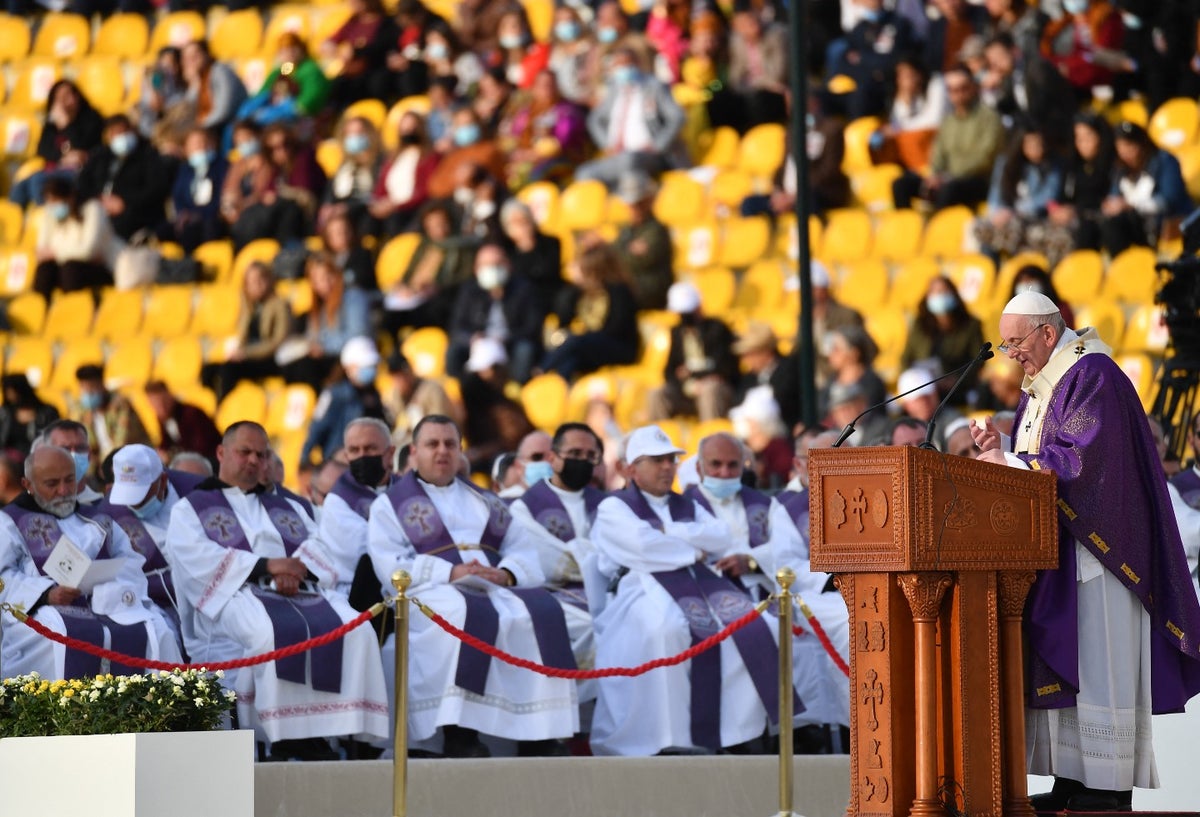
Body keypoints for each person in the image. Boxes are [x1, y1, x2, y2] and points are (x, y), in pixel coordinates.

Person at [970, 291, 1200, 811]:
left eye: (1016, 343)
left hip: (1100, 560)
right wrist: (997, 455)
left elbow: (1080, 460)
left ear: (1047, 333)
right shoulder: (1043, 384)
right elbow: (1034, 459)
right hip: (1060, 557)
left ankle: (1107, 787)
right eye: (1006, 346)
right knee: (1077, 669)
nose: (1013, 356)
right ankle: (1074, 782)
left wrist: (1012, 460)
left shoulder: (1092, 374)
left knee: (1099, 666)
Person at [164, 421, 389, 761]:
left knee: (356, 628)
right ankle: (287, 737)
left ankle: (341, 735)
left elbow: (321, 548)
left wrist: (294, 572)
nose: (254, 460)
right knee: (271, 632)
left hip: (300, 590)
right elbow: (196, 559)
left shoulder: (290, 506)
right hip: (233, 594)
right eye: (245, 452)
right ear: (222, 453)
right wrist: (268, 567)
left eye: (261, 454)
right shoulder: (190, 508)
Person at [367, 415, 578, 757]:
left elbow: (521, 548)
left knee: (540, 610)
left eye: (450, 444)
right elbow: (389, 563)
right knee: (458, 611)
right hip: (429, 590)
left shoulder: (486, 501)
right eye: (432, 444)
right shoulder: (389, 506)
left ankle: (539, 733)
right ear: (415, 452)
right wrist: (449, 572)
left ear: (461, 451)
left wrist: (507, 573)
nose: (442, 452)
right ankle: (459, 732)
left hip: (492, 585)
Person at [588, 424, 785, 756]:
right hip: (640, 588)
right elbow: (641, 545)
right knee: (668, 630)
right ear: (633, 468)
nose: (668, 467)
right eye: (658, 460)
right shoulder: (614, 507)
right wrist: (693, 548)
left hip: (697, 584)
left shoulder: (686, 505)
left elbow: (720, 536)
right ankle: (668, 737)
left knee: (753, 626)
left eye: (671, 460)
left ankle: (735, 732)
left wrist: (667, 531)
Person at [694, 430, 851, 754]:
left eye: (845, 458)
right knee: (853, 621)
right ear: (799, 464)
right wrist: (837, 576)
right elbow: (786, 561)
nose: (837, 466)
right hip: (818, 593)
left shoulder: (871, 493)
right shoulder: (787, 508)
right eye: (825, 459)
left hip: (863, 587)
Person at [0, 445, 182, 679]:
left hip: (107, 605)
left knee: (157, 627)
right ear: (28, 485)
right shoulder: (8, 522)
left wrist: (110, 588)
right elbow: (3, 577)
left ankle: (157, 714)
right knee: (59, 633)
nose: (64, 490)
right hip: (42, 610)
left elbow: (129, 562)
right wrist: (46, 594)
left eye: (70, 480)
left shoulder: (97, 518)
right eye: (52, 484)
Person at [509, 422, 607, 699]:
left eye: (590, 456)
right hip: (553, 593)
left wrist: (583, 553)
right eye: (575, 453)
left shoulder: (607, 504)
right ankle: (576, 719)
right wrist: (592, 557)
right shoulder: (527, 506)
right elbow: (544, 560)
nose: (582, 461)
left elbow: (618, 555)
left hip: (604, 592)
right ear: (553, 457)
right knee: (593, 626)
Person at [98, 443, 205, 641]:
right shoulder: (109, 510)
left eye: (140, 495)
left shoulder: (201, 492)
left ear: (162, 480)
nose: (133, 504)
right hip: (159, 606)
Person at [892, 64, 1004, 211]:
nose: (958, 94)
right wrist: (934, 175)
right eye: (952, 90)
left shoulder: (990, 118)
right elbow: (938, 153)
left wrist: (948, 177)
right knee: (901, 185)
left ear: (973, 87)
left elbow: (985, 158)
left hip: (977, 181)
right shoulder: (948, 121)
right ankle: (906, 230)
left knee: (949, 190)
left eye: (963, 88)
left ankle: (937, 230)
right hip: (947, 179)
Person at [576, 46, 686, 186]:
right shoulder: (614, 89)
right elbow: (594, 120)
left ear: (637, 64)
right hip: (618, 155)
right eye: (619, 65)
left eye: (627, 64)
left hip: (650, 154)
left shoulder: (654, 86)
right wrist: (607, 144)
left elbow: (677, 117)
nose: (623, 69)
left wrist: (658, 145)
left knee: (630, 162)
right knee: (584, 173)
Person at [318, 417, 397, 599]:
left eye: (370, 448)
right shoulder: (339, 501)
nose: (362, 456)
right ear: (346, 457)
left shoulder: (406, 490)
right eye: (354, 450)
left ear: (390, 453)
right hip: (360, 597)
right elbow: (372, 552)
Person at [539, 242, 640, 382]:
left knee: (574, 341)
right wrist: (574, 288)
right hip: (594, 345)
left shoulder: (619, 292)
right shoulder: (582, 293)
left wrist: (586, 337)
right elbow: (564, 319)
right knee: (571, 360)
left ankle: (540, 371)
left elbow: (615, 329)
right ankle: (557, 393)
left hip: (619, 347)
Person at [445, 244, 544, 384]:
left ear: (508, 265)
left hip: (510, 341)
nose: (491, 269)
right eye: (485, 265)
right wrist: (473, 338)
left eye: (497, 264)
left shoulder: (524, 289)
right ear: (476, 269)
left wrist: (505, 338)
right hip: (479, 342)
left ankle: (518, 387)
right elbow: (456, 327)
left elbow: (532, 326)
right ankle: (456, 389)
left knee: (525, 350)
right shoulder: (469, 291)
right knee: (454, 350)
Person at [648, 281, 738, 422]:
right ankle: (659, 439)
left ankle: (710, 438)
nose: (685, 317)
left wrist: (693, 375)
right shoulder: (677, 333)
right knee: (657, 393)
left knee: (710, 389)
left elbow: (725, 368)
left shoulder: (717, 329)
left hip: (716, 391)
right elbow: (669, 371)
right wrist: (687, 385)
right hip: (686, 390)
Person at [1100, 121, 1191, 257]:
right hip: (1136, 226)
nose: (1126, 152)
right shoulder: (1119, 169)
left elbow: (1169, 199)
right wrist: (1111, 205)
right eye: (1121, 147)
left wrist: (1131, 205)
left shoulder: (1164, 161)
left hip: (1165, 224)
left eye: (1130, 145)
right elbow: (1115, 197)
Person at [200, 261, 290, 401]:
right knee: (208, 369)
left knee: (229, 369)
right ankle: (210, 403)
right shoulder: (249, 307)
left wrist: (246, 353)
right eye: (253, 282)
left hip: (268, 358)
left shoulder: (279, 305)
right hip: (247, 356)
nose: (258, 284)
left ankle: (223, 406)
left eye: (261, 279)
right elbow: (242, 334)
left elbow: (277, 341)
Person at [76, 114, 171, 243]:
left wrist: (124, 202)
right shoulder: (99, 155)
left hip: (135, 213)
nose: (121, 136)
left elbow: (156, 189)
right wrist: (99, 200)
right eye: (116, 133)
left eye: (125, 131)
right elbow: (82, 183)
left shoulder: (148, 155)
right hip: (99, 208)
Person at [301, 337, 388, 466]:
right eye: (365, 366)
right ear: (349, 367)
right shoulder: (334, 394)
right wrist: (304, 460)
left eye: (372, 366)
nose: (371, 370)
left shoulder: (373, 395)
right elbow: (317, 429)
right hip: (339, 464)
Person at [33, 176, 123, 301]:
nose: (53, 207)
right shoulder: (50, 215)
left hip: (100, 268)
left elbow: (89, 250)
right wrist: (55, 253)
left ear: (70, 198)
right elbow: (41, 251)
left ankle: (76, 312)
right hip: (66, 267)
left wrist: (56, 252)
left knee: (70, 270)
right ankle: (42, 311)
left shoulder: (92, 209)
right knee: (45, 270)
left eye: (56, 201)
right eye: (50, 202)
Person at [900, 276, 985, 400]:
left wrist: (955, 380)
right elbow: (906, 359)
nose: (939, 295)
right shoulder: (919, 325)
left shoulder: (970, 325)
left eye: (943, 291)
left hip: (956, 389)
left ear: (953, 294)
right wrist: (914, 379)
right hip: (923, 389)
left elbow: (978, 360)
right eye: (934, 292)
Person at [459, 338, 535, 474]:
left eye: (484, 371)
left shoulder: (509, 402)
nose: (479, 377)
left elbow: (513, 440)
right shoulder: (474, 401)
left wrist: (480, 452)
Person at [370, 111, 440, 236]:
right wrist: (379, 204)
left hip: (413, 207)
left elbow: (427, 189)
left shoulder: (430, 157)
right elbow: (381, 186)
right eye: (405, 127)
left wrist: (397, 205)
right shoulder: (392, 158)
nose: (408, 131)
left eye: (412, 126)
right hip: (390, 205)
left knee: (395, 221)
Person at [613, 171, 674, 311]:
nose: (634, 209)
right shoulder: (626, 230)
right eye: (631, 204)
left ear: (649, 201)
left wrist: (620, 254)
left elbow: (639, 260)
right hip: (633, 289)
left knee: (618, 299)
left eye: (639, 203)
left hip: (651, 292)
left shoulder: (657, 229)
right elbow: (615, 256)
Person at [71, 365, 152, 464]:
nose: (88, 393)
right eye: (84, 388)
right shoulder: (83, 411)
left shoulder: (120, 406)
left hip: (133, 461)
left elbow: (122, 445)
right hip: (103, 465)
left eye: (91, 388)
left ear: (102, 385)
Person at [171, 127, 229, 252]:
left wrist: (199, 214)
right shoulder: (185, 170)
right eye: (196, 144)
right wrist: (183, 213)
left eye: (204, 142)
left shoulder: (222, 166)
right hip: (189, 219)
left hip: (212, 218)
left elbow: (222, 195)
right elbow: (178, 196)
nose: (201, 147)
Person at [144, 381, 221, 464]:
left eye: (163, 402)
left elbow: (202, 447)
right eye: (155, 405)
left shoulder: (192, 414)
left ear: (170, 396)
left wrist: (172, 456)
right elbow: (165, 444)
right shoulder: (163, 418)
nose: (161, 408)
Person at [37, 419, 103, 505]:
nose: (74, 455)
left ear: (89, 455)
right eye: (65, 449)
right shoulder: (32, 509)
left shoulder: (103, 508)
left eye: (80, 448)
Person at [0, 374, 58, 454]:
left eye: (13, 394)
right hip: (7, 458)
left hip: (36, 457)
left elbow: (53, 439)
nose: (10, 397)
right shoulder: (5, 414)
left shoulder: (47, 413)